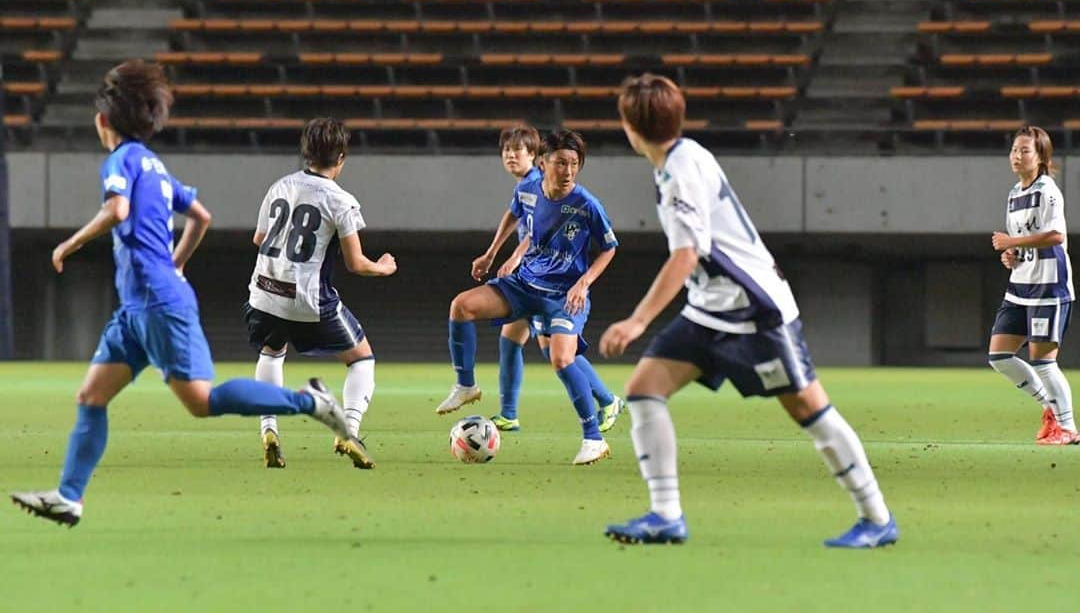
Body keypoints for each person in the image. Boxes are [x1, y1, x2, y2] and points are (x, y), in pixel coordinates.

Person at [10, 61, 352, 527]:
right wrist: (177, 262)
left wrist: (71, 243)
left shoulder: (121, 160)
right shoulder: (153, 164)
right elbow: (201, 215)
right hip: (138, 307)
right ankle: (69, 497)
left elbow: (117, 208)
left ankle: (310, 403)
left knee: (200, 401)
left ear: (102, 121)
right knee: (90, 396)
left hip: (155, 302)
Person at [599, 74, 897, 547]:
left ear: (629, 127)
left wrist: (637, 320)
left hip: (753, 312)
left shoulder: (680, 171)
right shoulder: (683, 157)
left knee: (808, 409)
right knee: (644, 389)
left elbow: (686, 254)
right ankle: (665, 515)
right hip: (709, 309)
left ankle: (877, 518)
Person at [437, 129, 620, 465]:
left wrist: (584, 282)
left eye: (574, 164)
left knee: (561, 358)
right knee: (461, 306)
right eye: (560, 163)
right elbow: (514, 213)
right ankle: (467, 386)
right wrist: (491, 255)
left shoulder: (586, 205)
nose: (567, 171)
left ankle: (593, 438)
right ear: (543, 163)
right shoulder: (528, 189)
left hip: (564, 296)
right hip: (524, 285)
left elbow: (609, 249)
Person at [244, 117, 397, 469]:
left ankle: (269, 431)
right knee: (361, 359)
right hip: (307, 299)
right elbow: (356, 263)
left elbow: (258, 238)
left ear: (305, 153)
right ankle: (348, 431)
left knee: (271, 353)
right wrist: (384, 267)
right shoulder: (340, 200)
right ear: (341, 158)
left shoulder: (279, 186)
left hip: (264, 292)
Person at [988, 125, 1078, 445]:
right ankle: (1050, 410)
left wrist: (1011, 240)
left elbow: (1055, 236)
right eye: (1014, 150)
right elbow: (1025, 241)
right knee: (999, 356)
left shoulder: (1047, 190)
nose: (1017, 156)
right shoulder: (1014, 194)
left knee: (1043, 361)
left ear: (1040, 157)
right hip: (1021, 284)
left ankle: (1068, 428)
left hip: (1048, 285)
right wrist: (1012, 253)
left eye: (1025, 151)